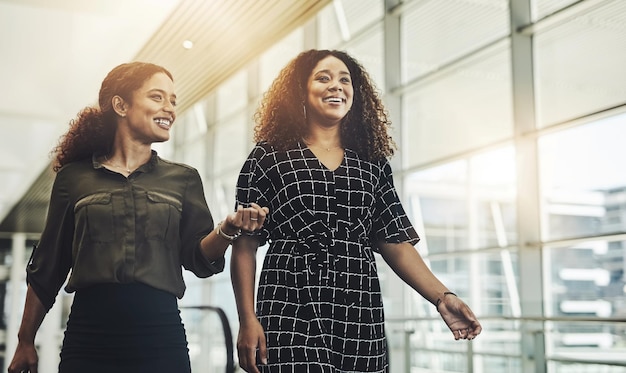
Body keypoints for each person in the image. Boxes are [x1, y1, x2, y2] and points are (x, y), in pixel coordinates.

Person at [230, 49, 482, 373]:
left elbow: (395, 242)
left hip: (359, 310)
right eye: (323, 78)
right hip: (289, 303)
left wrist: (442, 297)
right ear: (300, 90)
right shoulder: (268, 155)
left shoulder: (372, 162)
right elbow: (245, 245)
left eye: (344, 80)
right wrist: (247, 319)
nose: (336, 86)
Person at [7, 62, 269, 373]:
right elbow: (47, 267)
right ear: (120, 104)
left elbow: (198, 259)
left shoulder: (183, 179)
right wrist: (25, 341)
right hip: (88, 338)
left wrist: (226, 229)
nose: (169, 108)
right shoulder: (73, 179)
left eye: (173, 100)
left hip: (160, 337)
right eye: (157, 97)